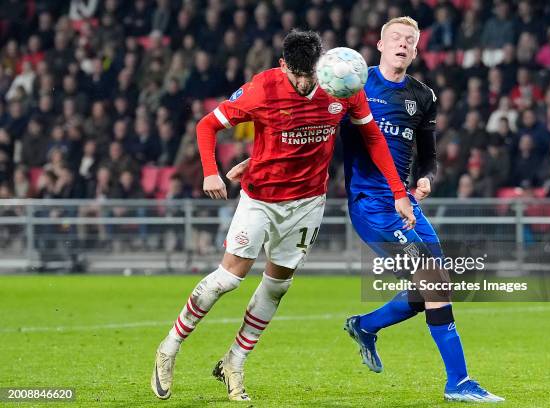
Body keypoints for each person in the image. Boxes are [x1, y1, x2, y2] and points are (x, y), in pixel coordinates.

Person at [151, 30, 415, 402]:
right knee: (228, 279)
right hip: (261, 198)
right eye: (298, 76)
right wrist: (211, 170)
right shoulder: (262, 89)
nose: (306, 83)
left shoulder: (342, 85)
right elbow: (206, 125)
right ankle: (168, 348)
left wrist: (399, 193)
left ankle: (235, 362)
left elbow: (373, 138)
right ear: (283, 66)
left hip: (308, 202)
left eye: (312, 75)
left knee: (277, 286)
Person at [340, 17, 503, 403]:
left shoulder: (422, 96)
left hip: (406, 204)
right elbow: (327, 135)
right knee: (433, 280)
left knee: (438, 285)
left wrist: (426, 179)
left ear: (415, 51)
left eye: (409, 41)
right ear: (379, 44)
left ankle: (365, 326)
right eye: (395, 38)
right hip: (373, 205)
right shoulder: (356, 85)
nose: (402, 44)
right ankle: (458, 382)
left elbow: (428, 158)